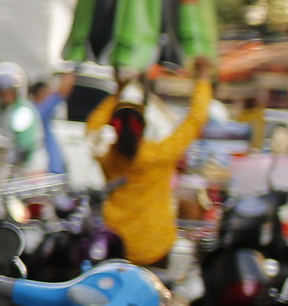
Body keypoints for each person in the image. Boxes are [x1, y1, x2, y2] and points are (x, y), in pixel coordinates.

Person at [89, 57, 215, 268]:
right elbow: (196, 119)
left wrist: (117, 91)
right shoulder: (160, 154)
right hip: (154, 247)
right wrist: (202, 77)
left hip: (115, 243)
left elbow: (92, 128)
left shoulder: (107, 156)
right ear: (143, 126)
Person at [0, 61, 43, 172]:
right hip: (12, 169)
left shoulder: (23, 111)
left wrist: (8, 167)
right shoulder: (2, 111)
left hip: (29, 169)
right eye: (1, 92)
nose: (5, 96)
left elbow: (24, 146)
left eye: (9, 92)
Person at [32, 73, 71, 177]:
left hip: (51, 171)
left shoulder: (36, 111)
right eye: (48, 93)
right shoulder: (40, 111)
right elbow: (61, 93)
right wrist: (71, 71)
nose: (50, 96)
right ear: (40, 94)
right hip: (47, 172)